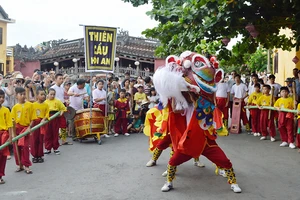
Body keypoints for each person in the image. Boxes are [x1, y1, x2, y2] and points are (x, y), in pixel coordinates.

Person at [11, 87, 33, 174]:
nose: (23, 96)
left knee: (25, 147)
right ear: (16, 96)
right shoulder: (14, 108)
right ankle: (20, 164)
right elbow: (12, 121)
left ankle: (26, 165)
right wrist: (13, 133)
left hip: (25, 129)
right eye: (21, 94)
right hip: (17, 129)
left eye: (24, 94)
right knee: (17, 148)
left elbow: (33, 118)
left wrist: (29, 127)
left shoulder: (30, 105)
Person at [44, 89, 66, 154]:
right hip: (48, 119)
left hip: (55, 118)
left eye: (54, 94)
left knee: (55, 133)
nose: (52, 96)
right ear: (48, 94)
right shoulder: (45, 102)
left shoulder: (58, 101)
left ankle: (55, 148)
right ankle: (48, 148)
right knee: (48, 133)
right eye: (51, 94)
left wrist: (61, 114)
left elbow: (63, 108)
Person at [30, 88, 49, 163]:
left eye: (44, 94)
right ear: (37, 96)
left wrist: (44, 119)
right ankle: (35, 155)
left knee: (41, 140)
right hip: (35, 123)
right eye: (41, 94)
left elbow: (47, 114)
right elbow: (31, 115)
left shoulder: (46, 105)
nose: (43, 96)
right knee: (34, 140)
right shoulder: (33, 105)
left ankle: (40, 155)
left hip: (41, 123)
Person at [50, 74, 70, 145]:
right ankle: (55, 140)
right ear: (55, 79)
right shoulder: (52, 88)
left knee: (63, 124)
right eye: (60, 78)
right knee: (55, 125)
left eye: (62, 78)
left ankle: (64, 140)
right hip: (55, 108)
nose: (61, 80)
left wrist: (65, 101)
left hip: (62, 106)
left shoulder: (62, 87)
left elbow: (62, 97)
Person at [0, 89, 13, 184]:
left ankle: (0, 175)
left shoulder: (6, 110)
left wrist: (10, 136)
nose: (1, 99)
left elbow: (9, 124)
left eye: (3, 98)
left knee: (2, 157)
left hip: (3, 134)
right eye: (0, 97)